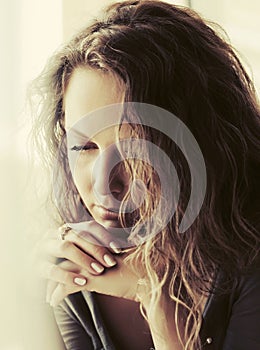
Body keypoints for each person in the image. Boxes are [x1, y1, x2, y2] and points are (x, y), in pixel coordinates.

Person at [30, 0, 260, 349]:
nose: (105, 185)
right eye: (83, 147)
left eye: (137, 147)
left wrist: (163, 315)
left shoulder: (250, 263)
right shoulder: (72, 268)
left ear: (202, 145)